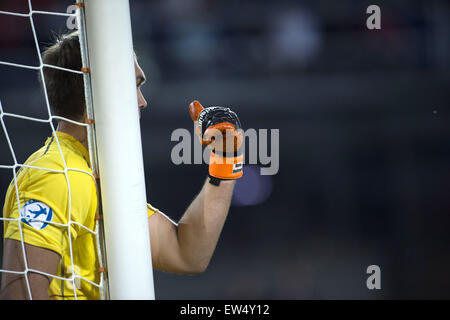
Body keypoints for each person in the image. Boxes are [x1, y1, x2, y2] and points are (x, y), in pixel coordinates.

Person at [0, 31, 243, 300]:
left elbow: (187, 254)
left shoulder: (95, 174)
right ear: (102, 91)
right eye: (134, 86)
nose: (142, 101)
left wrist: (224, 161)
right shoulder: (57, 174)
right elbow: (19, 293)